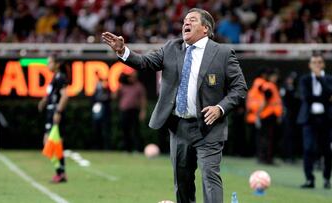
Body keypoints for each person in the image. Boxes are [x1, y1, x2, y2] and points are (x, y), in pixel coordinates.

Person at [102, 8, 247, 203]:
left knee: (209, 177)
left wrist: (220, 108)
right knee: (183, 181)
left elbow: (239, 89)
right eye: (185, 20)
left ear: (205, 28)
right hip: (179, 127)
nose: (186, 23)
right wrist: (123, 51)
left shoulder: (222, 52)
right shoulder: (172, 48)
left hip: (209, 127)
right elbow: (145, 62)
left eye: (192, 20)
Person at [297, 53, 332, 189]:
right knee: (308, 148)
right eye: (314, 62)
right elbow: (306, 97)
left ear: (323, 64)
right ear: (309, 65)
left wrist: (320, 79)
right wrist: (326, 98)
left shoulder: (329, 79)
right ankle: (309, 179)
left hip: (326, 119)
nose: (317, 65)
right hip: (309, 119)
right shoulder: (304, 79)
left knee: (327, 151)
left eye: (319, 62)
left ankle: (326, 179)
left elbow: (329, 92)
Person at [38, 55, 69, 183]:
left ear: (56, 64)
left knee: (51, 143)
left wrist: (58, 111)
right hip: (51, 113)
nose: (47, 65)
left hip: (55, 114)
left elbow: (65, 96)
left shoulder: (60, 77)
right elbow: (52, 94)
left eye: (49, 62)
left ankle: (60, 172)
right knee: (53, 143)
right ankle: (60, 172)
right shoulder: (54, 78)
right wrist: (44, 101)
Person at [256, 68, 283, 164]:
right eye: (274, 76)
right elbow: (265, 101)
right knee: (268, 138)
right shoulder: (270, 86)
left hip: (269, 116)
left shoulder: (270, 86)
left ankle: (264, 157)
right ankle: (267, 158)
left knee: (267, 138)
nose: (276, 78)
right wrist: (259, 113)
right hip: (269, 116)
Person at [117, 72, 147, 152]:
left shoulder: (139, 86)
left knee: (135, 130)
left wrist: (142, 111)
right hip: (124, 110)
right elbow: (115, 96)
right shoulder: (123, 86)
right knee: (125, 130)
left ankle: (137, 149)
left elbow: (143, 100)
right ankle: (127, 149)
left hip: (134, 110)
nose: (132, 78)